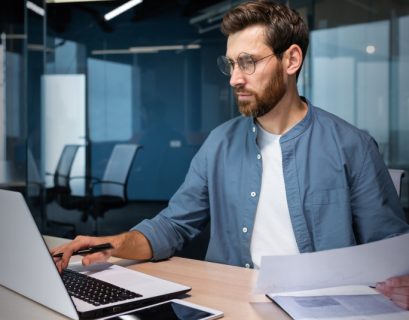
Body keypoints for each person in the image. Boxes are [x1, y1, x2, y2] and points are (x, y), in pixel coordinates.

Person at [52, 0, 409, 310]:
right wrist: (113, 244)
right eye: (231, 65)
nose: (235, 79)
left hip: (319, 307)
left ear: (292, 60)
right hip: (230, 300)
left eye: (248, 62)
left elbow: (389, 249)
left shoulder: (352, 145)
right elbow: (173, 225)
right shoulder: (219, 143)